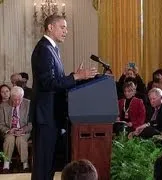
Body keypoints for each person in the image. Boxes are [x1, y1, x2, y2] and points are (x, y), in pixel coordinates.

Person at [30, 15, 97, 180]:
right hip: (46, 115)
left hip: (52, 114)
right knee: (43, 164)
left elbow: (56, 82)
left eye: (66, 28)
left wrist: (75, 76)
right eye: (63, 27)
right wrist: (76, 77)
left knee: (50, 164)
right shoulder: (44, 49)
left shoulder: (52, 49)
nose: (66, 32)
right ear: (50, 27)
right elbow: (48, 83)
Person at [0, 86, 32, 173]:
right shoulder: (3, 106)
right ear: (11, 96)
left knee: (21, 140)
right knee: (9, 139)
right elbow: (1, 124)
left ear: (22, 97)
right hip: (9, 130)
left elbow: (31, 123)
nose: (17, 102)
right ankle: (6, 164)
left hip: (24, 131)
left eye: (19, 99)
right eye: (14, 99)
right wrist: (9, 130)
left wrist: (23, 130)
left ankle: (25, 164)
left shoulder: (28, 104)